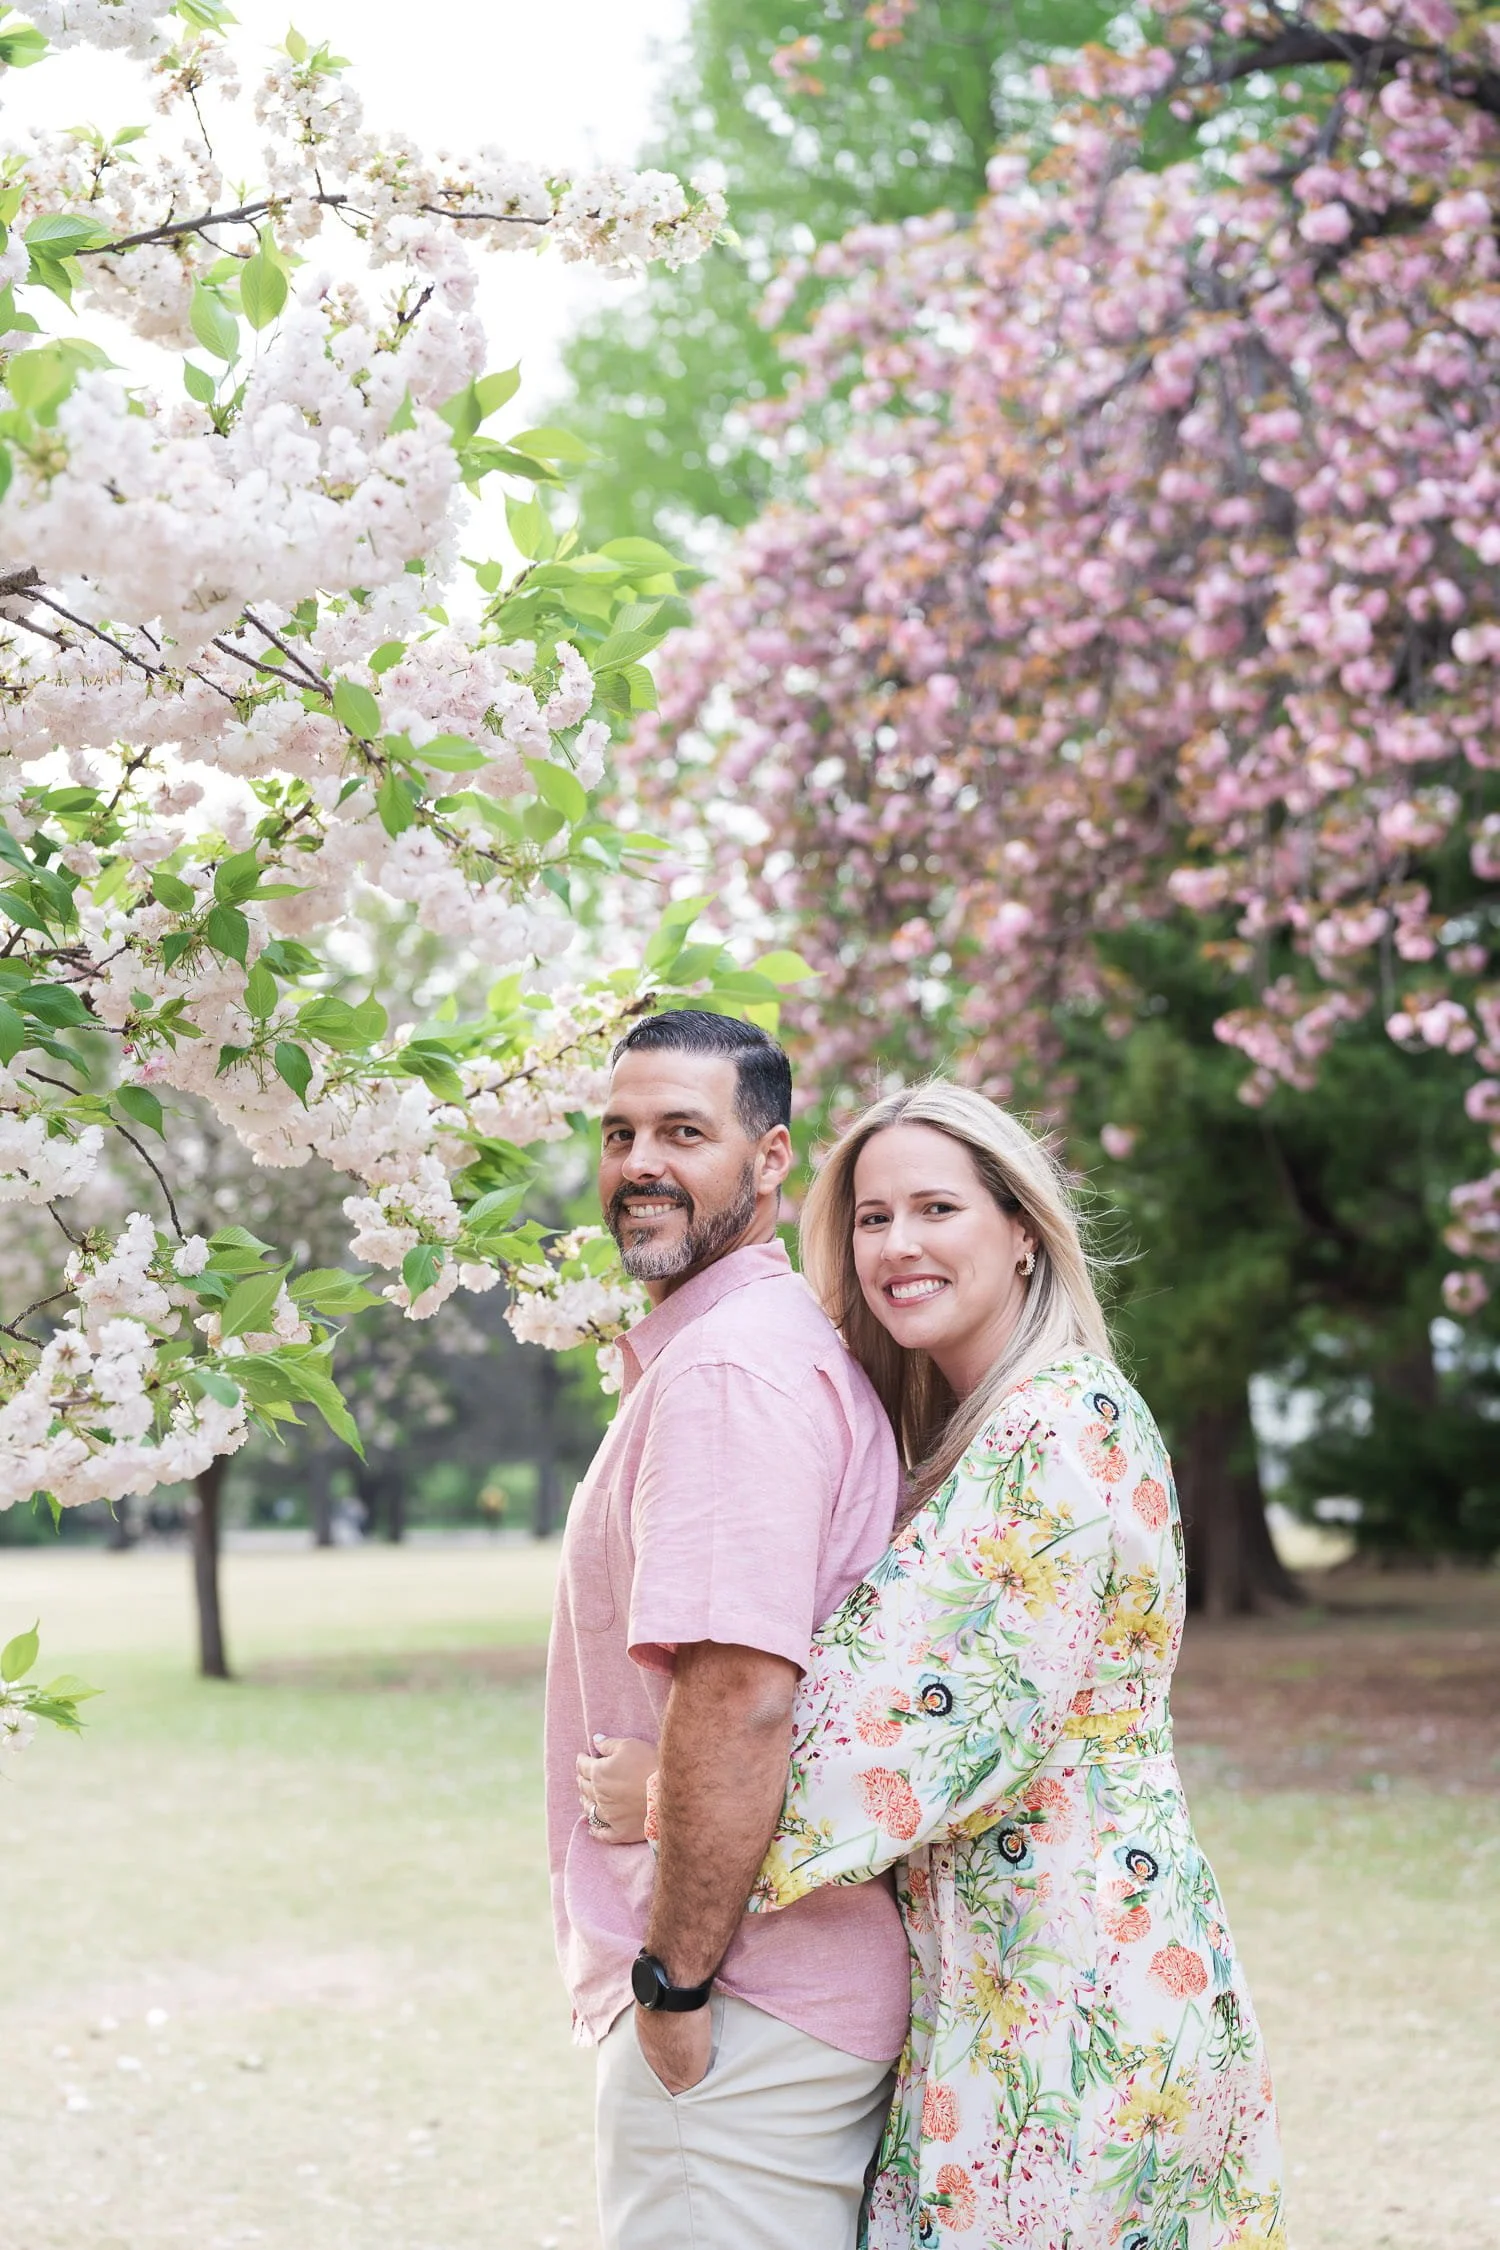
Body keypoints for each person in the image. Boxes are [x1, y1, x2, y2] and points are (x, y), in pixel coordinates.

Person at [582, 1081, 1287, 2250]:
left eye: (936, 1208)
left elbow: (901, 1731)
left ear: (1021, 1233)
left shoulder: (1054, 1432)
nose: (897, 1244)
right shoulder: (981, 1436)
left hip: (1075, 1985)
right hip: (1015, 1972)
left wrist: (667, 1797)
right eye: (869, 1217)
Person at [545, 1009, 911, 2250]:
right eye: (620, 1132)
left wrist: (674, 1985)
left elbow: (743, 1696)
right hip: (776, 2001)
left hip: (741, 2006)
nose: (640, 1161)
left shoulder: (727, 1376)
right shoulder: (748, 1350)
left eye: (683, 1132)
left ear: (768, 1163)